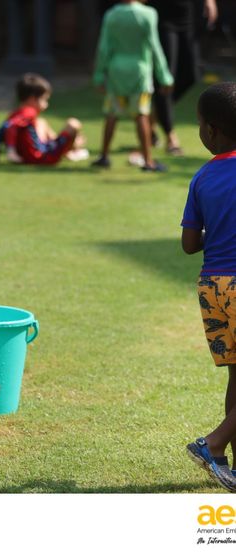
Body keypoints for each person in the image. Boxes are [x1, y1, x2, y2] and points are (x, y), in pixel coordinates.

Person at [182, 82, 236, 492]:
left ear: (213, 131)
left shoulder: (202, 176)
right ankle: (214, 443)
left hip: (213, 286)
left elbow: (189, 243)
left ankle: (224, 462)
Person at [92, 0, 174, 171]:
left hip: (116, 70)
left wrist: (99, 75)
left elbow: (104, 47)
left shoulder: (112, 14)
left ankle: (104, 156)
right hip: (139, 71)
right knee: (141, 115)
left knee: (111, 114)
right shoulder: (148, 13)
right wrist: (164, 76)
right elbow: (154, 45)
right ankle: (148, 161)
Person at [149, 0, 218, 154]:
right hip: (163, 18)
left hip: (187, 16)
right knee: (166, 79)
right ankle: (171, 137)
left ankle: (156, 114)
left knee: (192, 75)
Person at [0, 72, 86, 165]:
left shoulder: (15, 114)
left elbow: (1, 131)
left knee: (41, 122)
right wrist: (11, 152)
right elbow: (11, 127)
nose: (46, 104)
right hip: (41, 156)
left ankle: (71, 150)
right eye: (44, 99)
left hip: (35, 153)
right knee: (73, 123)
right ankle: (72, 150)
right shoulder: (29, 112)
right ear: (32, 99)